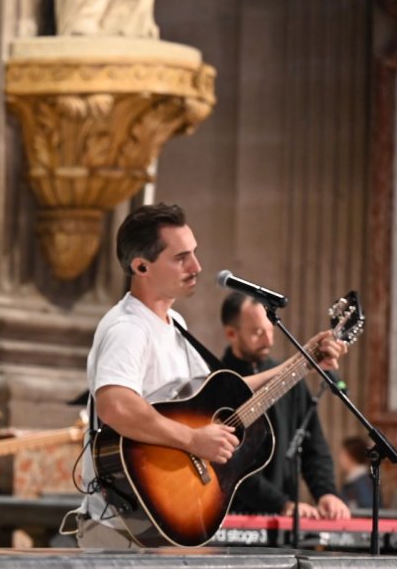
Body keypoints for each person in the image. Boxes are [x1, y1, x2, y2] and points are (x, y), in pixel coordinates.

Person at [72, 203, 347, 549]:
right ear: (141, 266)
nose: (196, 267)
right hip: (120, 528)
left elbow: (223, 397)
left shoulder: (177, 327)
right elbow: (116, 407)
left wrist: (302, 362)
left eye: (195, 254)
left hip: (160, 521)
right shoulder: (128, 328)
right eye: (181, 258)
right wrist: (192, 440)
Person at [219, 292, 350, 520]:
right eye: (257, 332)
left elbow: (313, 444)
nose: (268, 341)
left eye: (270, 330)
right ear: (231, 333)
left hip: (285, 518)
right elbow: (229, 464)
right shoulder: (218, 382)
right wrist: (280, 503)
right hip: (230, 516)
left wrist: (326, 492)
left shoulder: (290, 379)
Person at [338, 435, 376, 510]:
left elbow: (367, 510)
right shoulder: (356, 480)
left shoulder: (363, 482)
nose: (339, 458)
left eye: (342, 454)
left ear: (351, 456)